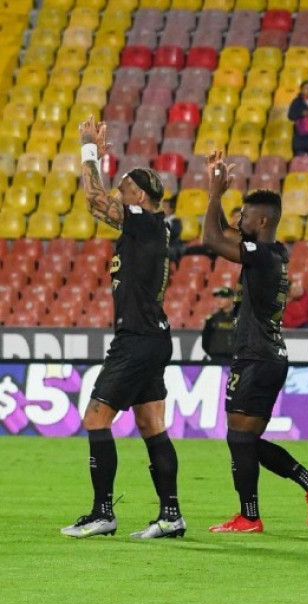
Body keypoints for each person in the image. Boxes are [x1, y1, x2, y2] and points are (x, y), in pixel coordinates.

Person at [62, 116, 185, 540]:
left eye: (126, 188)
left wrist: (88, 151)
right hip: (152, 337)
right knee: (151, 425)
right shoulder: (146, 231)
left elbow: (95, 201)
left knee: (96, 418)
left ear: (142, 197)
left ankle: (103, 513)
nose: (118, 192)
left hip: (136, 339)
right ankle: (171, 516)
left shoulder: (145, 222)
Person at [201, 150, 308, 533]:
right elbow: (224, 230)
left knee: (239, 438)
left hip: (257, 357)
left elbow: (212, 237)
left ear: (260, 221)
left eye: (244, 215)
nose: (238, 220)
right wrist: (218, 192)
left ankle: (250, 516)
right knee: (244, 440)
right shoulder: (273, 252)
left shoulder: (260, 256)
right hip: (267, 355)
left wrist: (215, 193)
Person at [201, 286, 237, 363]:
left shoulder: (240, 319)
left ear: (231, 299)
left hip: (235, 360)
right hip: (216, 359)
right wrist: (213, 354)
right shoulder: (212, 319)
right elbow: (205, 340)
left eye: (223, 297)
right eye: (218, 297)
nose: (219, 300)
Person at [163, 196, 185, 265]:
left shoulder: (176, 221)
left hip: (172, 245)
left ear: (171, 209)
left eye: (165, 207)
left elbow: (175, 232)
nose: (162, 209)